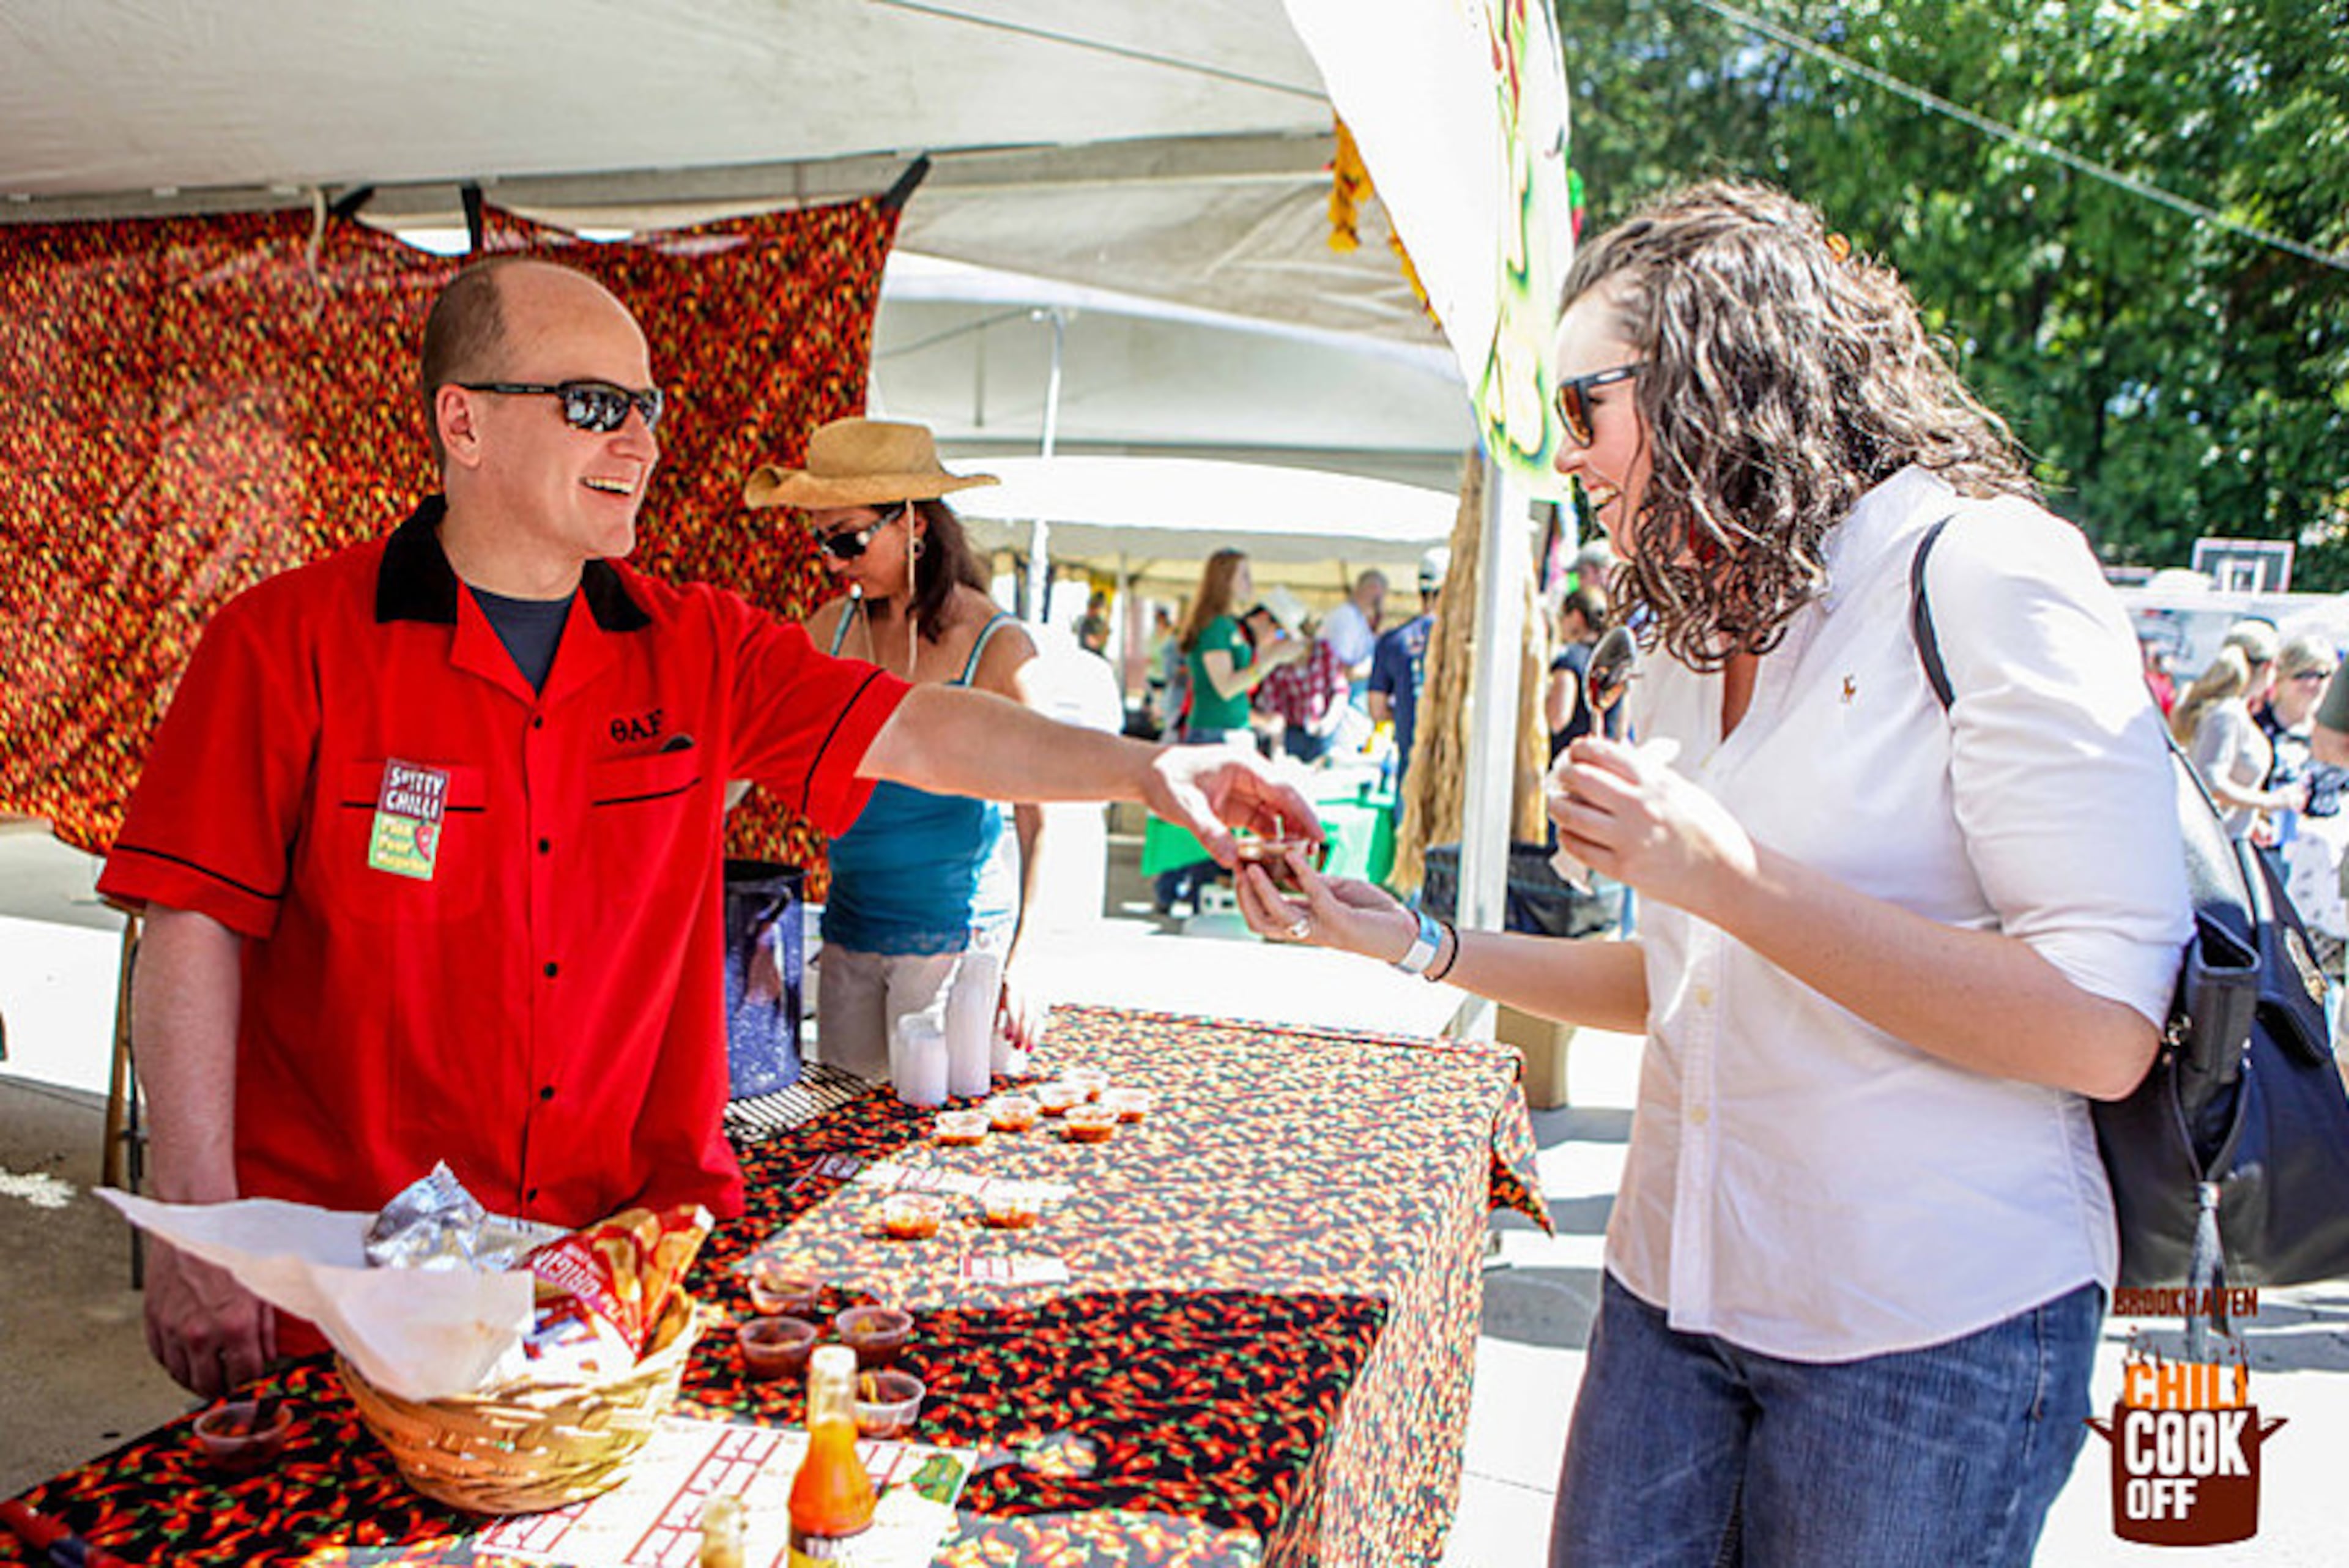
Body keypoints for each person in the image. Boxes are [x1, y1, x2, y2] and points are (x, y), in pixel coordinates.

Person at [97, 258, 1319, 1398]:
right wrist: (200, 1220)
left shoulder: (700, 647)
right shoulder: (282, 644)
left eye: (647, 405)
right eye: (590, 402)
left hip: (620, 1268)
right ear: (462, 424)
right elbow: (193, 924)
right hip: (352, 1275)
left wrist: (1153, 769)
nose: (636, 437)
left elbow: (932, 733)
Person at [1233, 182, 2190, 1567]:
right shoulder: (1701, 618)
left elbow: (2099, 1029)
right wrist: (1419, 943)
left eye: (1585, 409)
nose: (1568, 457)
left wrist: (1726, 875)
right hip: (1672, 1289)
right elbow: (1688, 980)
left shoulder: (1987, 573)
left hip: (1922, 1332)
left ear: (1712, 375)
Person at [744, 418, 1055, 1082]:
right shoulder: (831, 629)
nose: (832, 561)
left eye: (849, 538)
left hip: (957, 950)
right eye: (820, 539)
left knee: (941, 1148)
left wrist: (1028, 956)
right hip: (852, 939)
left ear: (913, 524)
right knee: (842, 1143)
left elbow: (1043, 810)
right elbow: (748, 746)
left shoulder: (996, 645)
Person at [1153, 551, 1307, 913]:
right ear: (1226, 580)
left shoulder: (1225, 628)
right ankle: (1186, 888)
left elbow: (1230, 688)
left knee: (1217, 817)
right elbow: (1225, 687)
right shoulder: (1217, 628)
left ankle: (1193, 890)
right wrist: (1273, 658)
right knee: (1211, 817)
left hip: (1226, 731)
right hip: (1215, 734)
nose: (1250, 584)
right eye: (1244, 576)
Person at [2172, 633, 2299, 839]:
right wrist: (2272, 801)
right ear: (2269, 667)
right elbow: (2211, 783)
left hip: (2226, 837)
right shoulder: (2228, 714)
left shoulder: (2226, 710)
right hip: (2219, 843)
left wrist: (2251, 818)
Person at [1367, 548, 1446, 804]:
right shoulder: (1466, 643)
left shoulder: (1393, 640)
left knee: (1408, 837)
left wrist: (1404, 710)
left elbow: (1377, 709)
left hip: (1410, 765)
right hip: (1454, 771)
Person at [1254, 597, 1351, 764]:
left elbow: (1340, 691)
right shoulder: (1275, 660)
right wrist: (1278, 752)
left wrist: (1328, 723)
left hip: (1320, 731)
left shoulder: (1324, 652)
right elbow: (1272, 705)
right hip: (1288, 735)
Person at [1544, 585, 1611, 763]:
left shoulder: (1570, 659)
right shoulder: (1612, 663)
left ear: (1576, 617)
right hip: (1604, 764)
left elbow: (1557, 719)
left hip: (1570, 763)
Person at [1316, 568, 1387, 693]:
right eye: (1378, 599)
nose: (1380, 604)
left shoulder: (1358, 619)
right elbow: (1341, 670)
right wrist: (1374, 668)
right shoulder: (1347, 618)